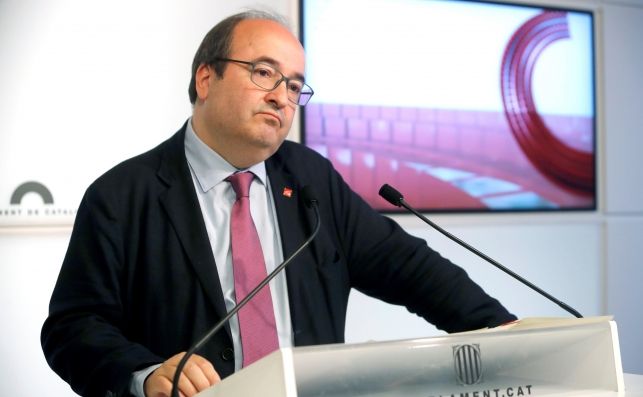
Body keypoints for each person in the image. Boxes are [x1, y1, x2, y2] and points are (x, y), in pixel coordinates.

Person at [41, 9, 516, 397]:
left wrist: (504, 334)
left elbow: (410, 268)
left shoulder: (311, 178)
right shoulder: (123, 195)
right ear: (206, 78)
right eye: (264, 72)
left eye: (293, 86)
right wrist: (145, 376)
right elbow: (73, 328)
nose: (281, 97)